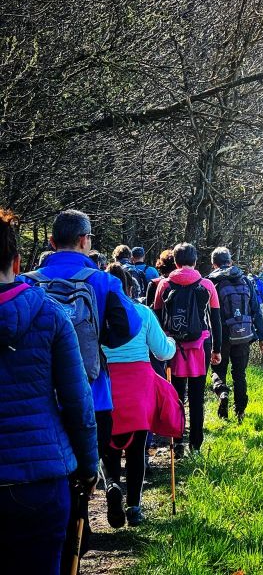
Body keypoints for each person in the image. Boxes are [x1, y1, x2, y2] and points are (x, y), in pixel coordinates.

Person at [20, 209, 142, 568]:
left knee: (46, 472)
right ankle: (79, 532)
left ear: (51, 241)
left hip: (40, 396)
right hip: (94, 394)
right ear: (86, 241)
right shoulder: (103, 282)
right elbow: (129, 329)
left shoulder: (27, 283)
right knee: (84, 474)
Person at [0, 209, 98, 575]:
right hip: (40, 481)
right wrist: (88, 470)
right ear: (17, 260)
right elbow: (77, 404)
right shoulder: (49, 314)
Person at [102, 263, 176, 527]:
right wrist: (172, 343)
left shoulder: (98, 315)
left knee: (107, 445)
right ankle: (133, 507)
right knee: (136, 449)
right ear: (130, 287)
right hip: (139, 386)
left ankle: (111, 484)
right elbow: (163, 353)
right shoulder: (142, 313)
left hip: (107, 383)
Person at [152, 242, 222, 455]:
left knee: (176, 396)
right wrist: (217, 350)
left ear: (175, 261)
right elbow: (216, 320)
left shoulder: (164, 284)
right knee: (197, 396)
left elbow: (156, 316)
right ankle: (196, 445)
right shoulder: (207, 285)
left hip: (174, 348)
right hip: (200, 347)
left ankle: (177, 443)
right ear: (195, 261)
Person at [208, 248, 263, 423]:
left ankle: (222, 392)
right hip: (244, 335)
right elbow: (256, 311)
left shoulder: (211, 282)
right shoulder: (246, 281)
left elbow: (208, 314)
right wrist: (262, 337)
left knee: (218, 370)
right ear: (230, 262)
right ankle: (240, 412)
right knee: (239, 373)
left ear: (214, 264)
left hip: (221, 335)